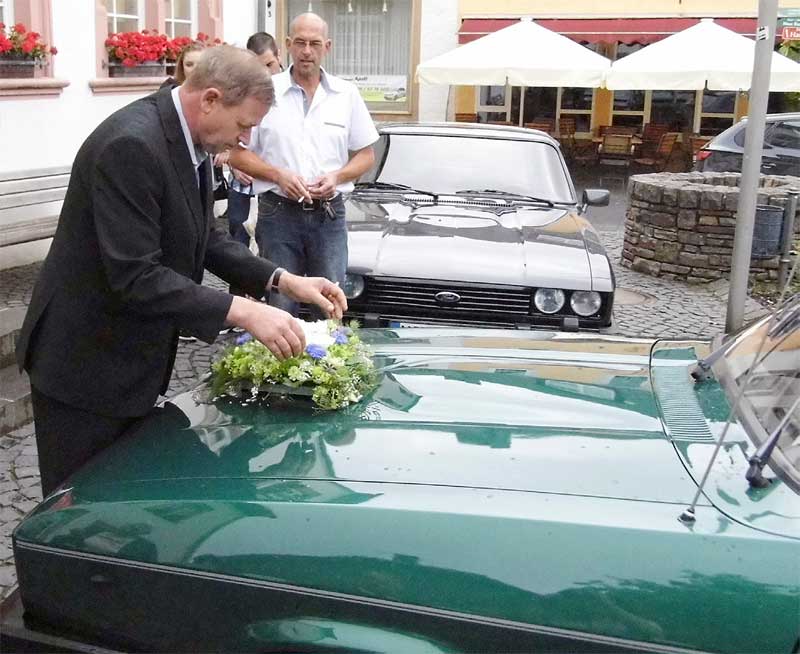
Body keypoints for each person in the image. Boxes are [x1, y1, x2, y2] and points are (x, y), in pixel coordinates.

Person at [16, 45, 347, 497]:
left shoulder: (187, 138)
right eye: (243, 125)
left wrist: (282, 280)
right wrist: (244, 312)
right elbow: (136, 276)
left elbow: (204, 236)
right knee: (78, 511)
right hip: (84, 365)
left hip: (127, 360)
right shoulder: (131, 145)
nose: (245, 140)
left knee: (123, 503)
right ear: (210, 99)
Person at [229, 12, 378, 317]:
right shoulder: (264, 92)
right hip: (277, 212)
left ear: (328, 46)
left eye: (314, 43)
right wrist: (277, 174)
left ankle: (329, 364)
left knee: (331, 302)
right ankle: (283, 364)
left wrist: (336, 176)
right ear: (287, 46)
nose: (307, 51)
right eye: (300, 42)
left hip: (329, 215)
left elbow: (366, 155)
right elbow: (236, 151)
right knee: (281, 305)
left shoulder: (346, 94)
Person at [215, 32, 283, 253]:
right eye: (258, 66)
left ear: (279, 56)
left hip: (274, 188)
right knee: (238, 242)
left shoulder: (291, 92)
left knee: (267, 247)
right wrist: (235, 167)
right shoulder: (242, 90)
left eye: (269, 64)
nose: (266, 73)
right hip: (243, 183)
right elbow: (232, 136)